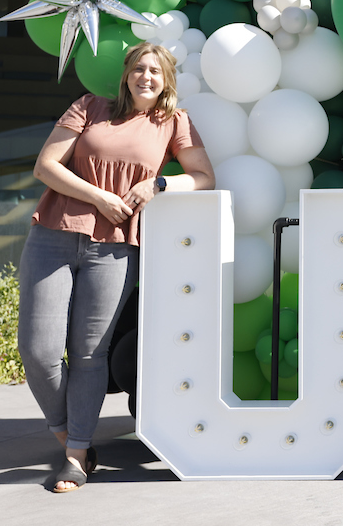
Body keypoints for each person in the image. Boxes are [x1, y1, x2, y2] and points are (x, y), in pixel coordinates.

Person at [17, 43, 214, 492]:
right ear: (126, 74)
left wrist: (158, 183)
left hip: (117, 248)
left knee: (90, 354)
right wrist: (99, 197)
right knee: (38, 349)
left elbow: (204, 177)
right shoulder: (90, 107)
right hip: (54, 233)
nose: (147, 77)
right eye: (140, 69)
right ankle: (66, 431)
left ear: (167, 81)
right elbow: (46, 166)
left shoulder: (173, 123)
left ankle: (76, 455)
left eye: (156, 72)